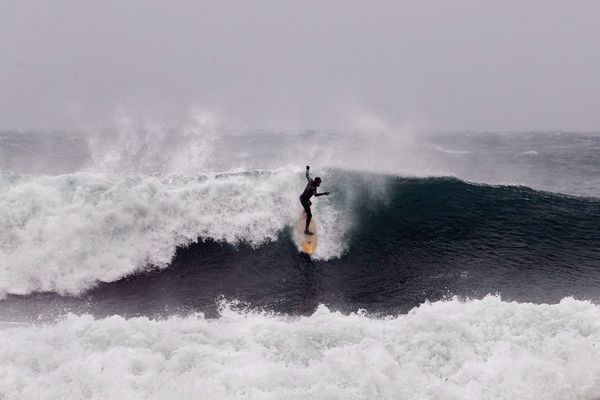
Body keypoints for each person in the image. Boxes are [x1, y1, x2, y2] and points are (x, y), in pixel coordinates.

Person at [300, 165, 330, 235]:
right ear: (316, 182)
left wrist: (307, 169)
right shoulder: (313, 187)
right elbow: (315, 195)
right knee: (310, 215)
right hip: (304, 200)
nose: (320, 184)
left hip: (302, 197)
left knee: (310, 204)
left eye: (320, 182)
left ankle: (303, 213)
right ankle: (306, 230)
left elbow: (307, 176)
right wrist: (324, 193)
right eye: (319, 183)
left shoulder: (310, 180)